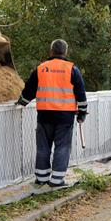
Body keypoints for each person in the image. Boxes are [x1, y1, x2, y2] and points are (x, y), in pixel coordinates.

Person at [17, 39, 87, 187]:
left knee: (43, 147)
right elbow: (81, 94)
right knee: (62, 147)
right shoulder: (72, 69)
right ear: (65, 52)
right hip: (65, 117)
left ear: (51, 51)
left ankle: (41, 178)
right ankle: (57, 180)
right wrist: (82, 113)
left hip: (44, 115)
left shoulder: (41, 68)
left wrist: (21, 102)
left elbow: (29, 90)